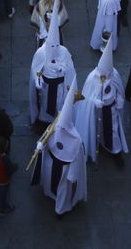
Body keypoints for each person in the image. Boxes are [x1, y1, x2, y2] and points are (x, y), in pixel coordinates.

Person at [30, 82, 86, 216]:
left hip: (65, 170)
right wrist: (40, 145)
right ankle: (50, 194)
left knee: (63, 191)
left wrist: (72, 174)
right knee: (49, 182)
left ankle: (60, 210)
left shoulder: (76, 139)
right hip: (51, 161)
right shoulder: (54, 128)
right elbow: (46, 138)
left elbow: (77, 157)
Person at [75, 39, 128, 167]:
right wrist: (94, 101)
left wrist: (119, 99)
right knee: (96, 129)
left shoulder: (114, 74)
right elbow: (86, 97)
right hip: (97, 111)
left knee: (113, 130)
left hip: (111, 110)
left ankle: (116, 151)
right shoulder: (92, 78)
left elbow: (119, 89)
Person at [28, 4, 76, 125]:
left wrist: (62, 69)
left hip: (60, 87)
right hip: (46, 87)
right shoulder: (41, 53)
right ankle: (44, 121)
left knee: (59, 104)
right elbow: (36, 70)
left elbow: (70, 70)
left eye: (56, 46)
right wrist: (38, 80)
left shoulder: (64, 52)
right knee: (45, 104)